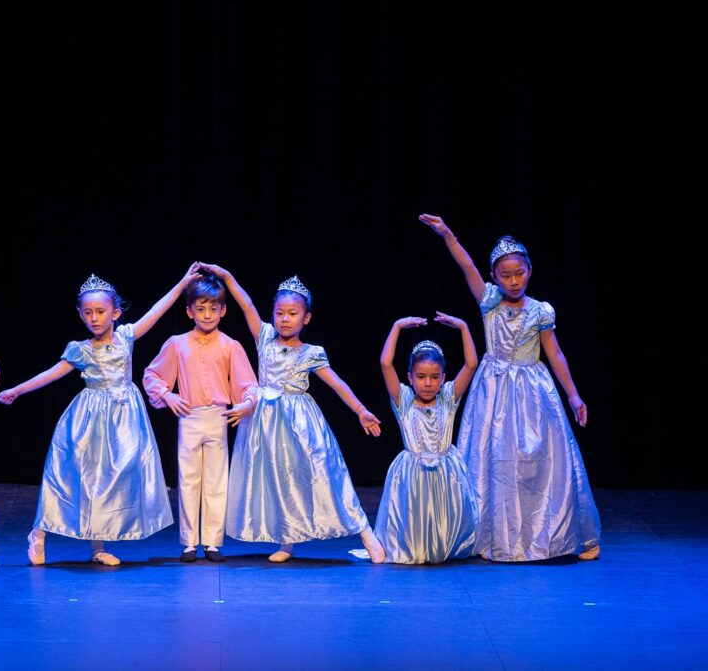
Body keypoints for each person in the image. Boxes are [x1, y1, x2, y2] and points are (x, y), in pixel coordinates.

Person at [420, 214, 601, 561]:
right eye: (505, 275)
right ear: (494, 277)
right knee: (494, 462)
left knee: (541, 463)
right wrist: (448, 236)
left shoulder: (541, 311)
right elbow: (467, 265)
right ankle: (489, 536)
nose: (514, 281)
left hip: (533, 391)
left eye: (519, 273)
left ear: (530, 271)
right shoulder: (489, 302)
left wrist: (573, 394)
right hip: (494, 390)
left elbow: (555, 353)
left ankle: (556, 535)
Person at [0, 265, 202, 566]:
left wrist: (183, 283)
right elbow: (52, 374)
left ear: (115, 313)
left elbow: (157, 311)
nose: (94, 318)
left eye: (100, 312)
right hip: (89, 420)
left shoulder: (126, 337)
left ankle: (98, 546)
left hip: (124, 420)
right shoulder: (80, 349)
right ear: (81, 314)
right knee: (72, 477)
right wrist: (18, 390)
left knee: (111, 481)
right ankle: (38, 534)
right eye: (88, 313)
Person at [202, 264, 386, 564]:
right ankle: (286, 542)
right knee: (277, 481)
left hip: (301, 424)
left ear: (306, 317)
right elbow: (246, 303)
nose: (285, 319)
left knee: (326, 476)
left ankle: (366, 533)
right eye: (280, 313)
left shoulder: (311, 351)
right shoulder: (264, 337)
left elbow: (336, 382)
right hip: (265, 424)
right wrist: (227, 277)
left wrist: (360, 410)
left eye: (293, 314)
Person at [142, 273, 258, 563]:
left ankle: (213, 542)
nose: (207, 314)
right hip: (190, 416)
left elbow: (249, 384)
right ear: (189, 311)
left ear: (223, 310)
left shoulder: (230, 345)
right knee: (189, 479)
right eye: (201, 308)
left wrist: (246, 403)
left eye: (213, 308)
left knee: (217, 481)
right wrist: (168, 395)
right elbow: (152, 374)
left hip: (218, 417)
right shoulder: (177, 343)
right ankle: (189, 542)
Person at [357, 314, 478, 564]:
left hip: (446, 470)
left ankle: (444, 544)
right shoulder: (404, 400)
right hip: (413, 471)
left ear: (443, 377)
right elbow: (385, 364)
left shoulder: (448, 397)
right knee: (416, 516)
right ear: (410, 377)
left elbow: (472, 364)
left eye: (434, 377)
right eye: (421, 377)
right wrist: (397, 326)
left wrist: (464, 327)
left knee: (443, 517)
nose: (428, 383)